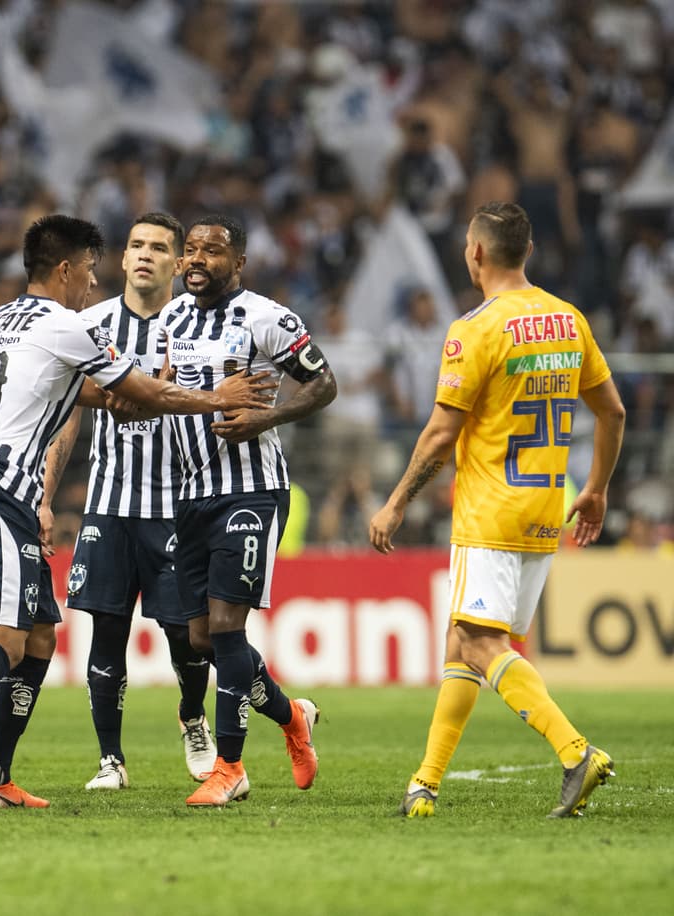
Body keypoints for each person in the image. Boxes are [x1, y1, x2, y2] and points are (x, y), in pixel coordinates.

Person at [0, 215, 275, 808]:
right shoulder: (68, 325)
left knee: (38, 639)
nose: (92, 282)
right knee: (5, 644)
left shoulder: (2, 318)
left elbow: (89, 394)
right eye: (88, 269)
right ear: (65, 269)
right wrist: (217, 397)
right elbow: (143, 393)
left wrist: (136, 398)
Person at [369, 201, 626, 818]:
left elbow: (440, 433)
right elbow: (613, 412)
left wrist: (396, 502)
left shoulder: (474, 328)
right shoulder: (568, 320)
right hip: (545, 509)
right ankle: (424, 785)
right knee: (463, 641)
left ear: (476, 252)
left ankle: (575, 751)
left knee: (480, 643)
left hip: (489, 510)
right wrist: (596, 489)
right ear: (528, 251)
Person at [157, 215, 336, 808]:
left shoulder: (267, 318)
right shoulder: (171, 319)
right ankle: (292, 716)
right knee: (201, 638)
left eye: (211, 250)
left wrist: (268, 417)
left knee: (228, 626)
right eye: (190, 249)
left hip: (252, 491)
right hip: (191, 494)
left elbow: (324, 384)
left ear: (238, 263)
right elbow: (161, 390)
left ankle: (229, 767)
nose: (196, 259)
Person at [40, 212, 218, 791]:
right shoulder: (89, 324)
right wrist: (46, 497)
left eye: (159, 248)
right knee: (107, 630)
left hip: (177, 505)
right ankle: (110, 760)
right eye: (137, 245)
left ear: (178, 263)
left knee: (187, 635)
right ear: (122, 259)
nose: (145, 254)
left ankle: (193, 716)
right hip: (110, 506)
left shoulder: (196, 323)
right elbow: (66, 416)